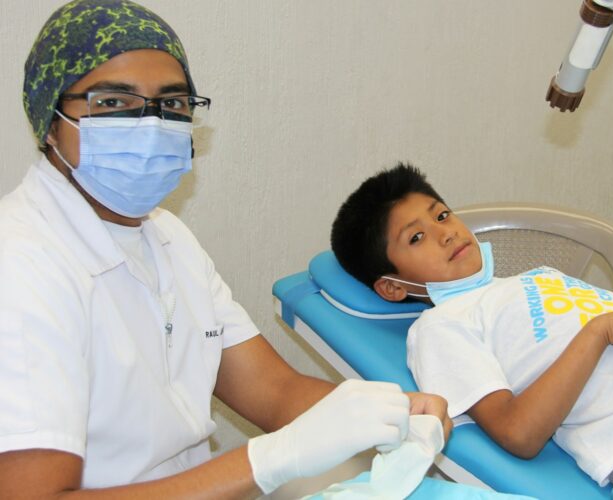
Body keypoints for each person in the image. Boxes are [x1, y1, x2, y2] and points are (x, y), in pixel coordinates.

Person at [0, 2, 451, 498]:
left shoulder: (168, 237)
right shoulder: (20, 267)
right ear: (50, 121)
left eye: (172, 104)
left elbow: (276, 392)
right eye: (113, 102)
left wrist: (396, 409)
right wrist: (272, 458)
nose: (150, 126)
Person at [330, 163, 613, 500]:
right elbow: (518, 433)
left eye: (441, 215)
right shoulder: (440, 327)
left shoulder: (536, 278)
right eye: (416, 237)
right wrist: (598, 332)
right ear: (392, 287)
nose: (446, 232)